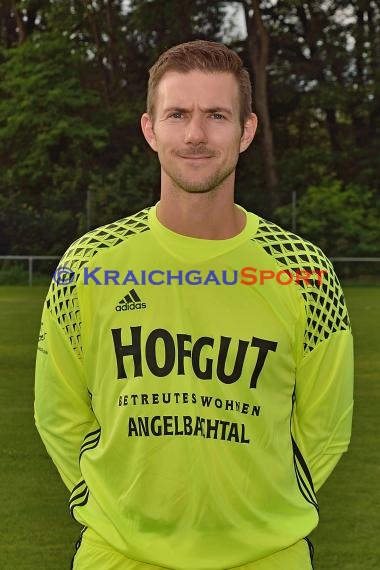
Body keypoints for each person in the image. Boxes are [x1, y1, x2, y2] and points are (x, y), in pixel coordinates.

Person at [35, 40, 354, 570]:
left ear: (246, 130)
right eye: (178, 114)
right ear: (150, 129)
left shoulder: (305, 271)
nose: (196, 135)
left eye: (217, 116)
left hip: (266, 556)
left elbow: (327, 425)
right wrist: (118, 510)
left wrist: (256, 514)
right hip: (118, 555)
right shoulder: (89, 263)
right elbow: (59, 411)